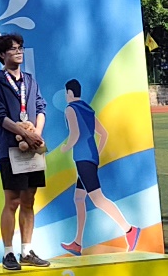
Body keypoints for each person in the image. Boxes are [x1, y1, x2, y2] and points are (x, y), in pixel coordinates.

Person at [0, 32, 50, 270]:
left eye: (20, 47)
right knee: (12, 200)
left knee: (29, 199)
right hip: (9, 148)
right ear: (2, 54)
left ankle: (27, 251)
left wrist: (36, 134)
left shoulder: (30, 81)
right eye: (13, 49)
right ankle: (8, 253)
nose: (18, 52)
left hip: (32, 147)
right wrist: (24, 133)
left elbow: (41, 107)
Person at [55, 80, 140, 255]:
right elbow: (103, 134)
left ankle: (129, 230)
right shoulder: (87, 109)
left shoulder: (70, 109)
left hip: (82, 158)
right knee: (79, 198)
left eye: (66, 93)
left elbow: (75, 134)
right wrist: (96, 153)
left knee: (97, 198)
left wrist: (65, 147)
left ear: (69, 93)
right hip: (90, 157)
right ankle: (77, 243)